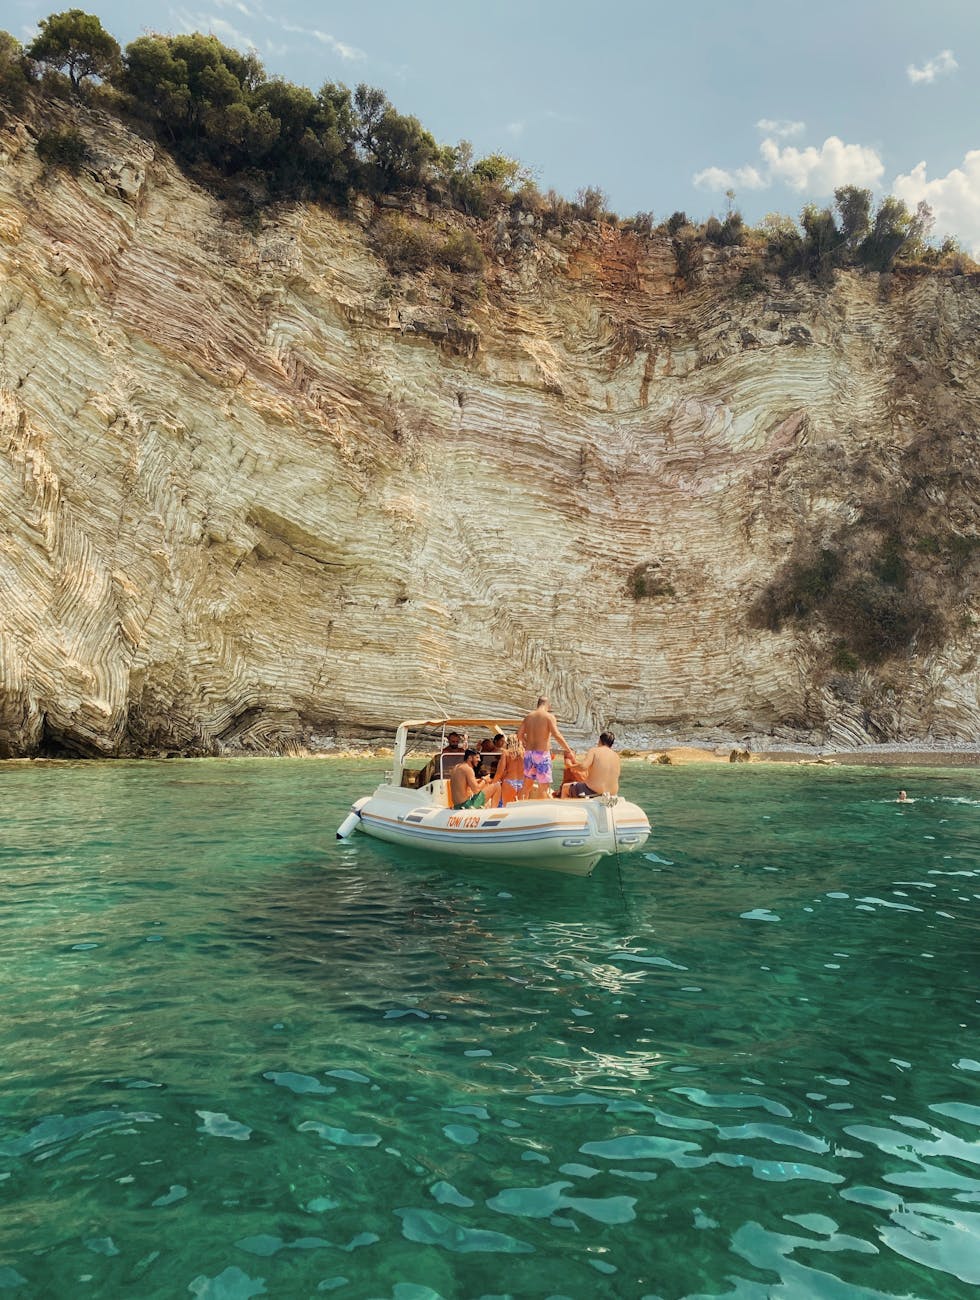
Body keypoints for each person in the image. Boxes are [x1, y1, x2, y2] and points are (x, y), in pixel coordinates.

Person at [517, 696, 573, 799]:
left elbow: (519, 735)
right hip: (541, 755)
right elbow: (556, 734)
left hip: (529, 754)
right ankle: (541, 811)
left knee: (526, 786)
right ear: (548, 705)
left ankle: (519, 807)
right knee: (543, 787)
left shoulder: (528, 717)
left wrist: (526, 743)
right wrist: (568, 749)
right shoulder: (548, 717)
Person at [565, 732, 621, 798]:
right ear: (611, 743)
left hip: (593, 792)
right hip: (612, 794)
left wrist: (570, 766)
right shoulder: (616, 756)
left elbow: (583, 767)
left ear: (600, 740)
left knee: (565, 788)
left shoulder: (594, 751)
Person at [495, 735, 526, 805]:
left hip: (509, 782)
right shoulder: (524, 753)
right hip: (522, 782)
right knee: (521, 808)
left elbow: (500, 771)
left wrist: (493, 783)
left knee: (507, 808)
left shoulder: (506, 753)